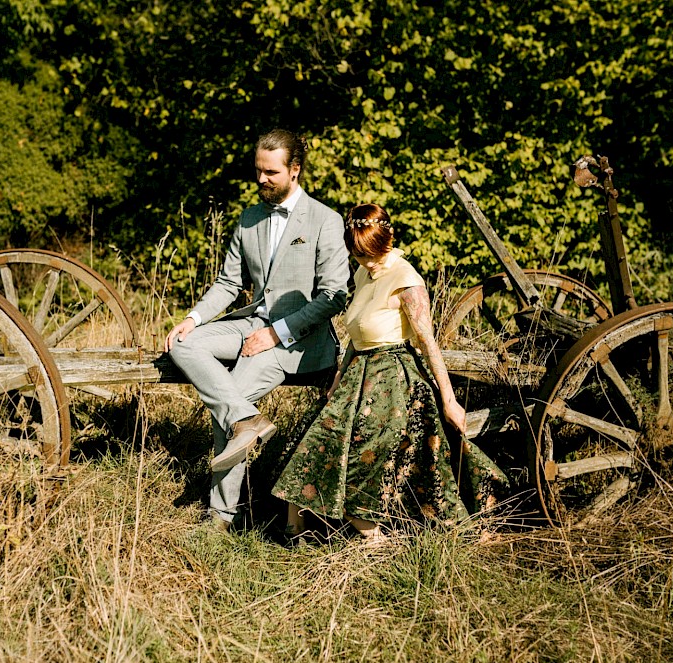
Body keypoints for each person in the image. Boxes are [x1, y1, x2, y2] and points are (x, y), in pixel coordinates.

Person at [272, 204, 507, 543]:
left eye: (371, 254)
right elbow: (356, 335)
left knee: (367, 449)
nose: (367, 262)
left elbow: (428, 342)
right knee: (316, 434)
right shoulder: (363, 274)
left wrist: (449, 398)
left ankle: (371, 535)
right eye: (358, 254)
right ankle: (294, 534)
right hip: (357, 375)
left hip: (394, 378)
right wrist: (339, 376)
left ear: (387, 240)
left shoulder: (406, 279)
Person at [164, 129, 349, 531]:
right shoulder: (249, 218)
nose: (261, 179)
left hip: (298, 342)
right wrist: (193, 318)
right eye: (258, 171)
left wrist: (276, 333)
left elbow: (335, 295)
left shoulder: (325, 220)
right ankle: (248, 420)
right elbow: (229, 284)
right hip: (250, 323)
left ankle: (221, 516)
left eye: (271, 172)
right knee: (183, 344)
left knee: (228, 403)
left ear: (295, 170)